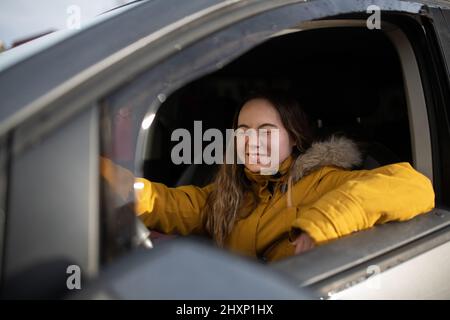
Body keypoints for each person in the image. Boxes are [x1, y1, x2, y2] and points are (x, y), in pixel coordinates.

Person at [101, 90, 435, 262]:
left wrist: (320, 226)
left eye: (266, 130)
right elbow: (165, 202)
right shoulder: (227, 193)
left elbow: (415, 186)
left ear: (293, 138)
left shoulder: (322, 181)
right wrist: (99, 173)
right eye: (243, 131)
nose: (251, 141)